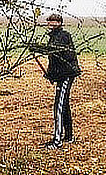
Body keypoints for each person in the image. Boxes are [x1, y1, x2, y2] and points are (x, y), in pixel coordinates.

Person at [31, 14, 81, 149]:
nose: (50, 23)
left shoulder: (63, 36)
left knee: (58, 106)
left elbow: (54, 50)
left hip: (67, 74)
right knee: (64, 105)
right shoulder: (53, 36)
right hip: (61, 75)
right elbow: (53, 57)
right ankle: (69, 136)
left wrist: (36, 47)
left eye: (53, 21)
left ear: (59, 22)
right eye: (49, 21)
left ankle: (57, 141)